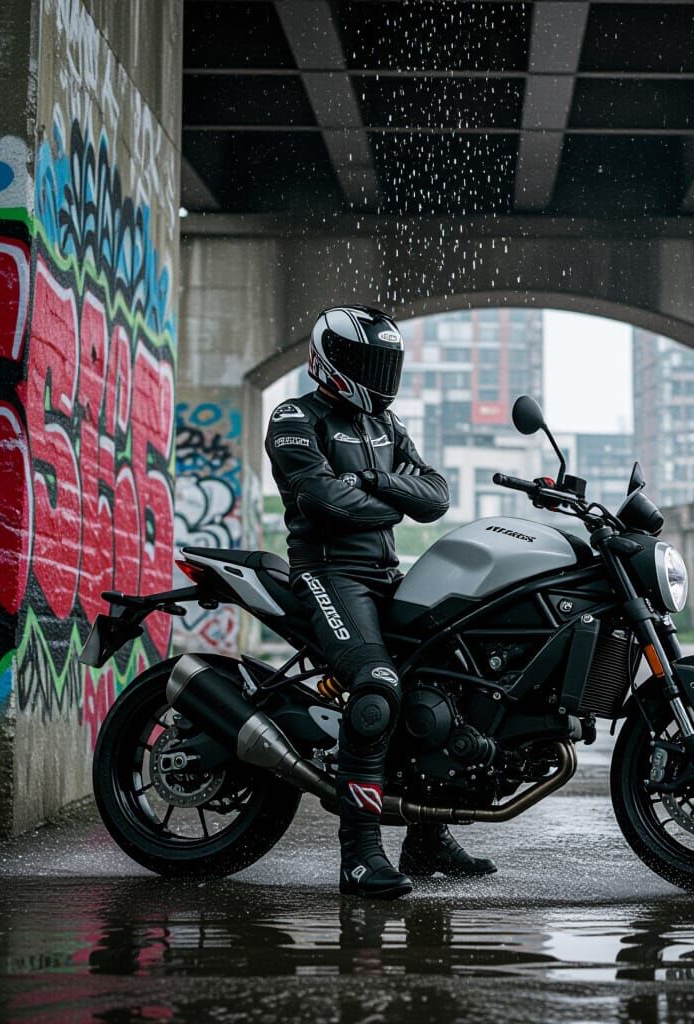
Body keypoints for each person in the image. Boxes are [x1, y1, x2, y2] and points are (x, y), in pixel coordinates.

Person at [265, 305, 497, 899]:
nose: (380, 374)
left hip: (384, 575)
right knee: (376, 686)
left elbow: (437, 495)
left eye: (385, 363)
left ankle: (425, 838)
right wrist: (392, 498)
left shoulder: (388, 428)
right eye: (369, 363)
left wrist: (374, 483)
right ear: (332, 361)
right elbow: (321, 501)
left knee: (447, 679)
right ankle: (360, 857)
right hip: (326, 573)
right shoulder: (295, 416)